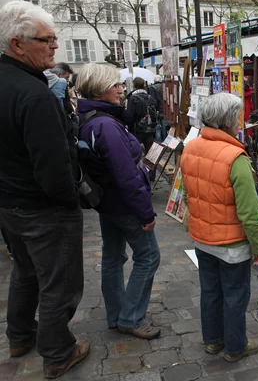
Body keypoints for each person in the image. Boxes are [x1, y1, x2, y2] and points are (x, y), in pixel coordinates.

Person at [0, 1, 89, 379]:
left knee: (25, 272)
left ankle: (20, 336)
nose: (55, 47)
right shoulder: (35, 95)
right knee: (59, 282)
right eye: (47, 40)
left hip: (10, 204)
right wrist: (72, 202)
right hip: (42, 208)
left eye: (56, 39)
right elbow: (54, 169)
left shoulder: (16, 84)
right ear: (17, 44)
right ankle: (58, 352)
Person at [75, 63, 161, 340]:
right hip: (123, 203)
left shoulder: (90, 118)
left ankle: (116, 314)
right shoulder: (106, 125)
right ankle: (131, 317)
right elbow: (126, 175)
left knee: (113, 256)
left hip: (107, 202)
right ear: (100, 89)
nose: (121, 89)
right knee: (148, 257)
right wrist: (146, 213)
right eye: (115, 85)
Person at [180, 93, 258, 363]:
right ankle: (235, 346)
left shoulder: (191, 147)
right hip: (231, 244)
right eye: (237, 118)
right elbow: (249, 211)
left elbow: (189, 193)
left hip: (203, 237)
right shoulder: (235, 157)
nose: (240, 123)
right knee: (235, 294)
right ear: (228, 121)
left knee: (210, 291)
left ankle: (213, 341)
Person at [127, 76, 158, 153]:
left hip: (137, 128)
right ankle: (150, 165)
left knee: (136, 151)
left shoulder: (133, 98)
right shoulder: (150, 97)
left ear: (134, 85)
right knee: (149, 151)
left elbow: (130, 115)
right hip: (150, 127)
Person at [149, 75, 166, 142]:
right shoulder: (164, 86)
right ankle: (165, 141)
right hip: (164, 109)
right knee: (164, 126)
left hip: (157, 110)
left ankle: (159, 142)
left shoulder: (152, 88)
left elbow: (153, 101)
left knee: (158, 127)